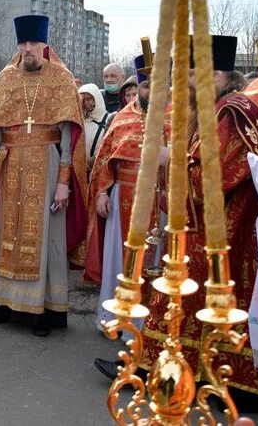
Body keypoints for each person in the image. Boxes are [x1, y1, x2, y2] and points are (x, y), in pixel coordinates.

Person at [136, 35, 258, 410]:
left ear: (218, 73)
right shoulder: (224, 108)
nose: (187, 81)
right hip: (221, 229)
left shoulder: (231, 113)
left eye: (193, 73)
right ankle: (181, 372)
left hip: (220, 230)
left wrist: (170, 158)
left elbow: (212, 177)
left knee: (184, 293)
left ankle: (159, 372)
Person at [0, 14, 87, 337]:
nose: (28, 49)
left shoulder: (61, 79)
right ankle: (0, 304)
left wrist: (63, 183)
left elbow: (68, 136)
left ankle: (42, 310)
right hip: (10, 165)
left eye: (34, 43)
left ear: (45, 44)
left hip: (47, 164)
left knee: (45, 235)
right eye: (23, 43)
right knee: (8, 233)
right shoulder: (6, 78)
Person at [84, 57, 168, 339]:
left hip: (161, 200)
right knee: (119, 262)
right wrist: (102, 192)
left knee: (155, 264)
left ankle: (149, 328)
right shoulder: (123, 117)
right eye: (145, 86)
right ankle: (116, 319)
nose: (150, 91)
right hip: (123, 197)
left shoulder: (178, 117)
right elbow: (104, 160)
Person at [78, 83, 112, 176]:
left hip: (100, 171)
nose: (86, 103)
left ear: (96, 99)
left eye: (89, 99)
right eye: (82, 100)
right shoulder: (79, 121)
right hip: (80, 172)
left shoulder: (108, 119)